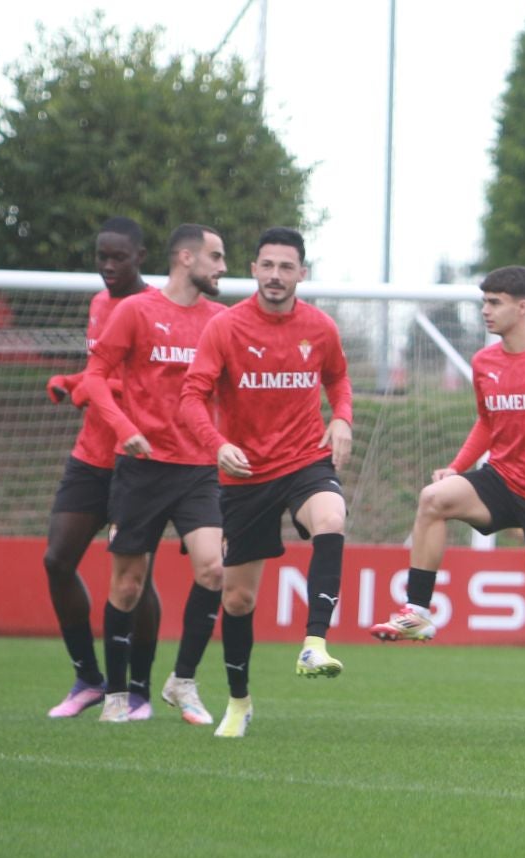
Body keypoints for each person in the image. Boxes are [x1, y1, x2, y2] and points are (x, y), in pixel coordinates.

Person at [371, 265, 525, 738]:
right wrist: (456, 464)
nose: (485, 310)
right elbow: (486, 424)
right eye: (484, 301)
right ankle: (419, 612)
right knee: (433, 499)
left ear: (523, 306)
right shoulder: (485, 362)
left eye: (495, 302)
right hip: (502, 479)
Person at [179, 227, 354, 738]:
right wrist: (217, 444)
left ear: (302, 273)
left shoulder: (320, 328)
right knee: (237, 600)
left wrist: (341, 418)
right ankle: (239, 701)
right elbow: (192, 395)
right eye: (267, 266)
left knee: (332, 517)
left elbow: (338, 379)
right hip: (245, 474)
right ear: (253, 269)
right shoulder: (226, 328)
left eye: (286, 267)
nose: (276, 276)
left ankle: (315, 643)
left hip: (305, 460)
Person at [79, 223, 229, 726]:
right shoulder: (136, 312)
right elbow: (96, 376)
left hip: (198, 470)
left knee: (214, 569)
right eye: (216, 257)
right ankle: (117, 696)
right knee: (128, 585)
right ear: (186, 259)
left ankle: (181, 681)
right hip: (142, 469)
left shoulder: (221, 320)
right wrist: (123, 427)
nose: (223, 267)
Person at [42, 217, 162, 718]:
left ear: (141, 257)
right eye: (102, 257)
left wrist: (88, 387)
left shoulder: (156, 311)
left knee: (137, 579)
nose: (108, 266)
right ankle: (88, 678)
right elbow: (103, 369)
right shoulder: (98, 304)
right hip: (90, 453)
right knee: (57, 559)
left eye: (119, 257)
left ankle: (138, 689)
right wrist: (75, 379)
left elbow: (148, 388)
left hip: (135, 457)